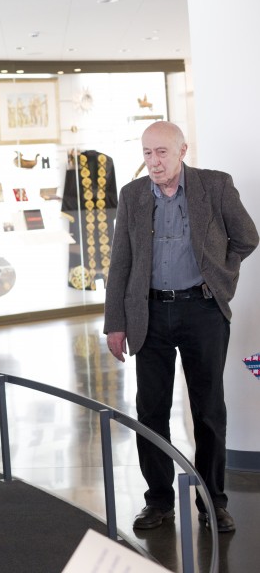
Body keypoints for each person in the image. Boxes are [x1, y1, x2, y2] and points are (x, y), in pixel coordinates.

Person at [103, 121, 258, 533]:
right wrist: (115, 323)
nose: (154, 162)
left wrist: (219, 273)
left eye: (162, 152)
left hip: (202, 311)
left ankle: (213, 503)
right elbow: (120, 263)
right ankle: (158, 502)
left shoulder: (215, 185)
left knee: (208, 410)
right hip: (149, 315)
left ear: (182, 151)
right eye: (147, 153)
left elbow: (247, 237)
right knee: (150, 410)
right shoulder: (133, 195)